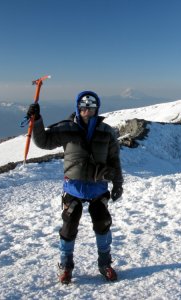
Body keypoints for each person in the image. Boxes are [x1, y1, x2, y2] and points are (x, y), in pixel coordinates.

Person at [26, 91, 123, 284]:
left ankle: (105, 264)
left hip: (98, 188)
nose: (87, 110)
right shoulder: (66, 128)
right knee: (69, 227)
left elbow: (114, 159)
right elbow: (43, 141)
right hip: (73, 188)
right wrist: (36, 120)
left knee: (103, 224)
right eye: (83, 106)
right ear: (78, 108)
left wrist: (118, 183)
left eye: (91, 107)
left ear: (97, 108)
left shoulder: (107, 131)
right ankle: (65, 266)